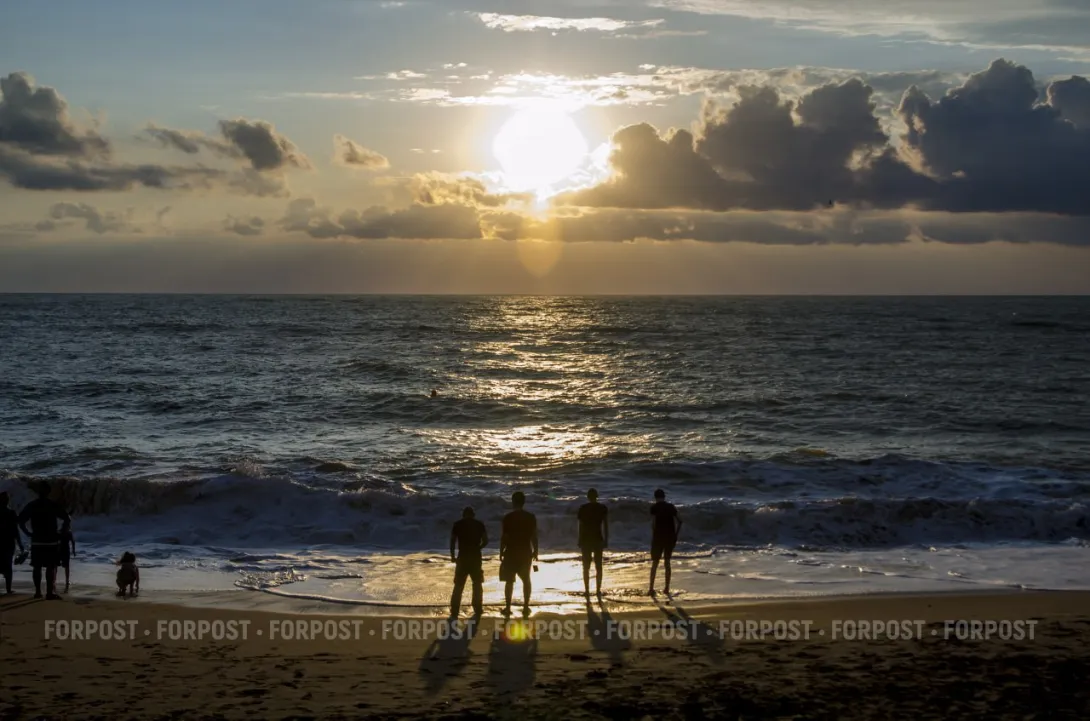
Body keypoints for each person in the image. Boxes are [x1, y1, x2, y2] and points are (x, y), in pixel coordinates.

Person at [17, 482, 71, 600]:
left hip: (37, 540)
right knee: (50, 567)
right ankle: (49, 593)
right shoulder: (52, 505)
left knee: (37, 567)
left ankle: (37, 592)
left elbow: (20, 521)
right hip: (51, 540)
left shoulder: (32, 505)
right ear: (48, 492)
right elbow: (67, 518)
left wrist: (28, 533)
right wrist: (62, 532)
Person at [499, 491, 537, 617]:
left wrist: (501, 551)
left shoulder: (508, 517)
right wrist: (536, 550)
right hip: (525, 551)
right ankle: (526, 607)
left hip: (511, 552)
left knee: (509, 581)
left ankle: (508, 607)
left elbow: (504, 537)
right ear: (524, 502)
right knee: (526, 580)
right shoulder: (530, 517)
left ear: (513, 502)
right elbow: (534, 536)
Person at [449, 506, 488, 618]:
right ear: (473, 514)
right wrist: (478, 548)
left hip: (462, 557)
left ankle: (455, 609)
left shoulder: (458, 524)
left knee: (459, 584)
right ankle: (477, 607)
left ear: (463, 514)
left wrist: (452, 555)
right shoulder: (479, 524)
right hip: (475, 557)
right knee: (477, 583)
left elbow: (452, 541)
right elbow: (486, 541)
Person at [648, 488, 681, 596]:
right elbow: (680, 521)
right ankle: (666, 588)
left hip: (658, 538)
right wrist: (675, 535)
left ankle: (651, 588)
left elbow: (653, 523)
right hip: (670, 538)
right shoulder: (671, 507)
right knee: (667, 562)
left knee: (655, 563)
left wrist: (654, 534)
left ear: (655, 497)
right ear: (664, 497)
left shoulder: (654, 508)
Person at [577, 489, 608, 598]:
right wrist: (606, 539)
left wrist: (579, 539)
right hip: (598, 539)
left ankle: (587, 590)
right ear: (597, 496)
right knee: (598, 566)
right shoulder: (602, 508)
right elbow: (605, 525)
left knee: (586, 567)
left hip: (586, 539)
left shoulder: (583, 508)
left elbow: (580, 526)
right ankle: (598, 590)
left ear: (588, 497)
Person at [1, 492, 26, 595]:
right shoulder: (11, 513)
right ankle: (8, 589)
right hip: (8, 543)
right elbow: (16, 530)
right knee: (8, 566)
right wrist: (20, 545)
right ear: (7, 501)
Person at [58, 521, 76, 593]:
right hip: (66, 551)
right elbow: (73, 542)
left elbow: (56, 541)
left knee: (55, 566)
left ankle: (54, 580)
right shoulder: (69, 533)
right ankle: (67, 581)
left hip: (59, 550)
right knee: (67, 567)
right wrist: (73, 551)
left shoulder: (59, 532)